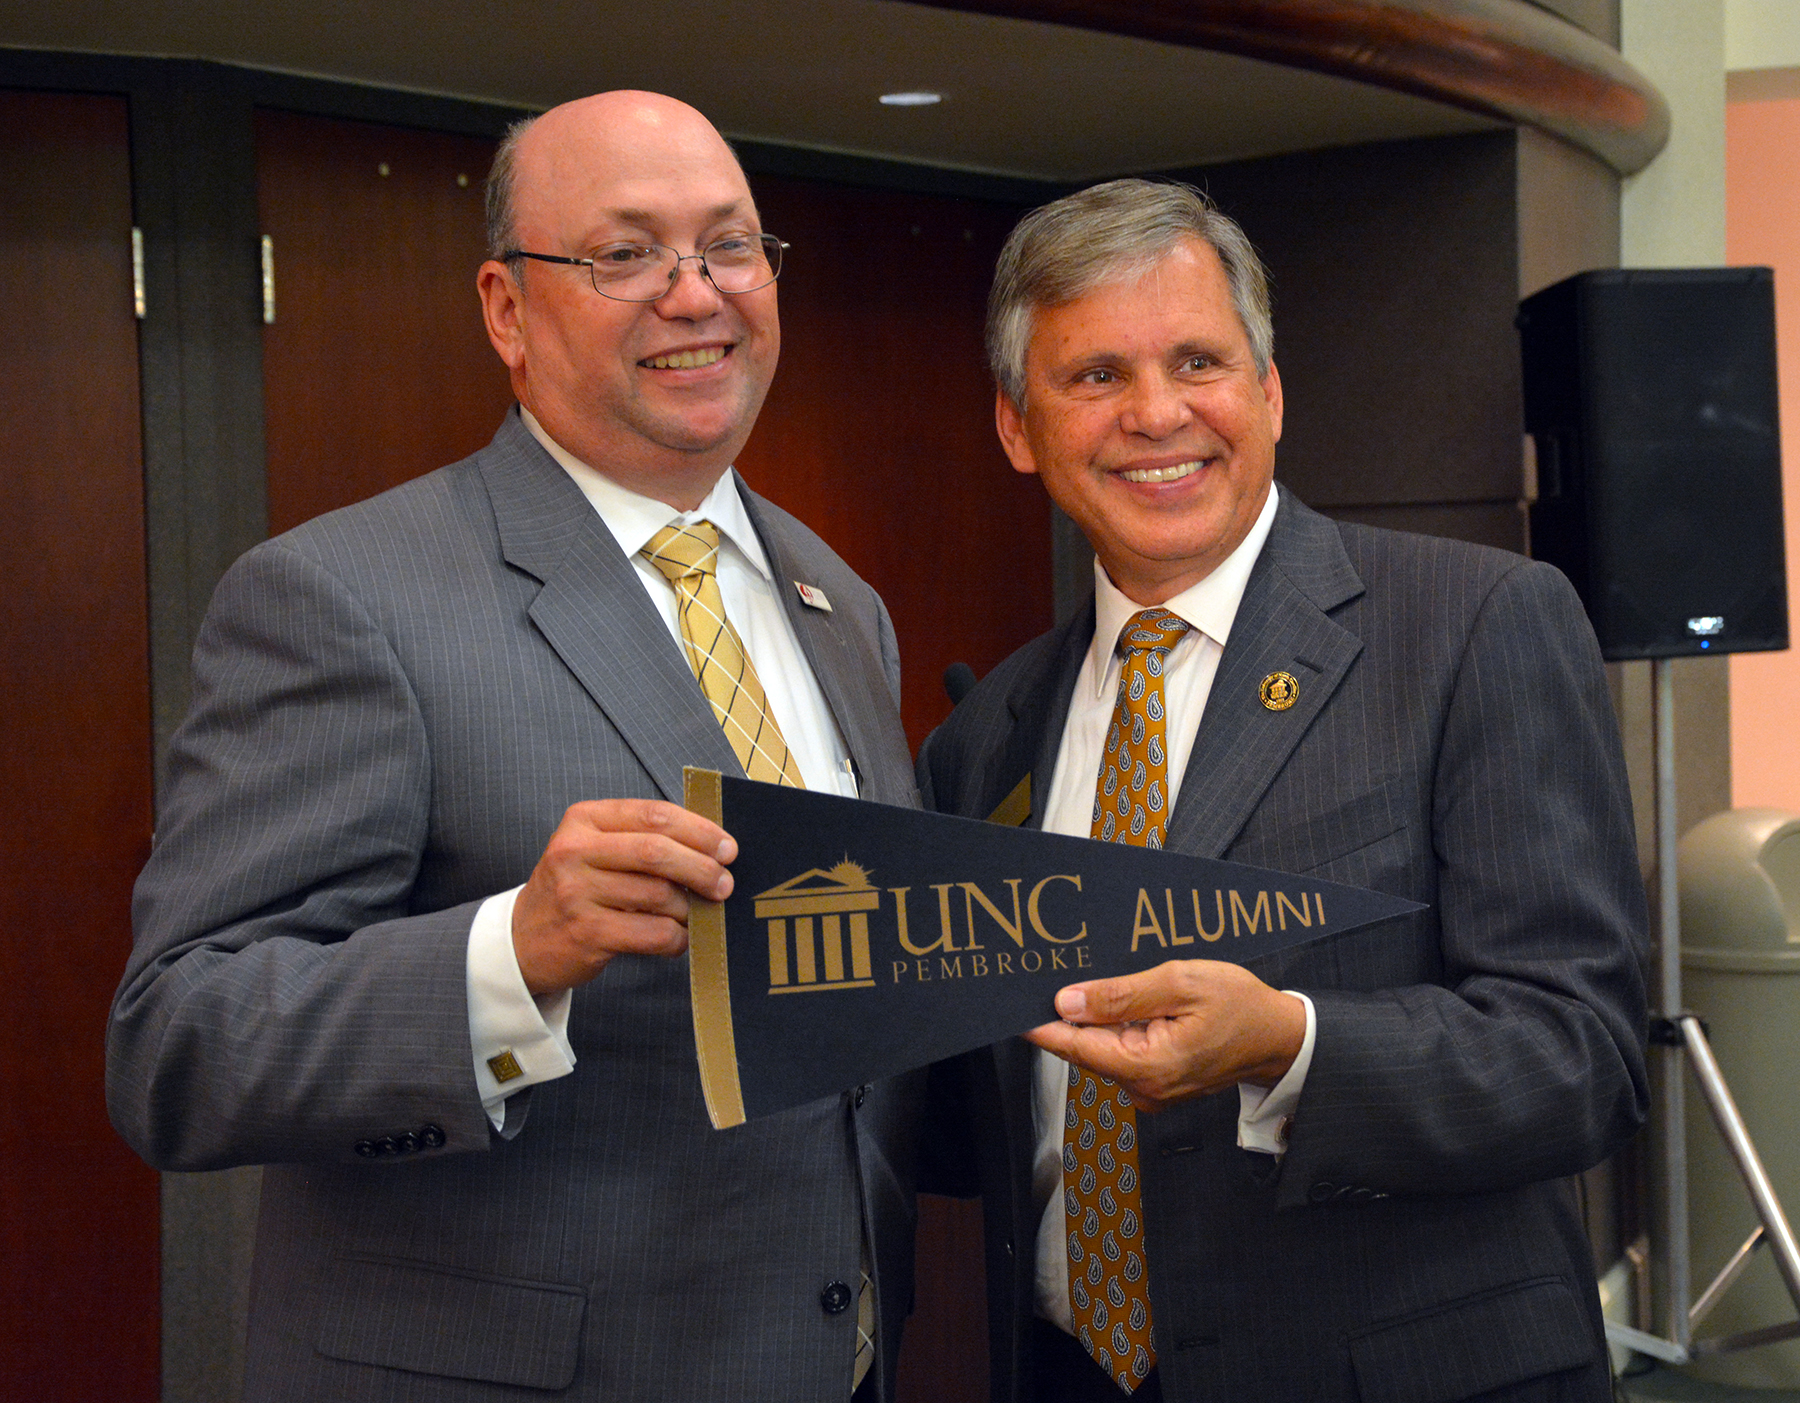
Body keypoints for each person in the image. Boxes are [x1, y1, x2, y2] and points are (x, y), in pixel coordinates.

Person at [108, 91, 922, 1403]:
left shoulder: (842, 603)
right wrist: (514, 949)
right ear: (506, 306)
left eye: (730, 246)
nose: (695, 291)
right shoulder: (341, 594)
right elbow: (180, 1047)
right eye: (625, 253)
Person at [918, 179, 1648, 1403]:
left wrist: (1291, 1048)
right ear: (1016, 426)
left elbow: (1582, 1055)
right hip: (1067, 1371)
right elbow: (969, 1112)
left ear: (1268, 391)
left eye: (1198, 361)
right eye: (1095, 375)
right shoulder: (986, 734)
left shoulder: (1474, 626)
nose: (1157, 414)